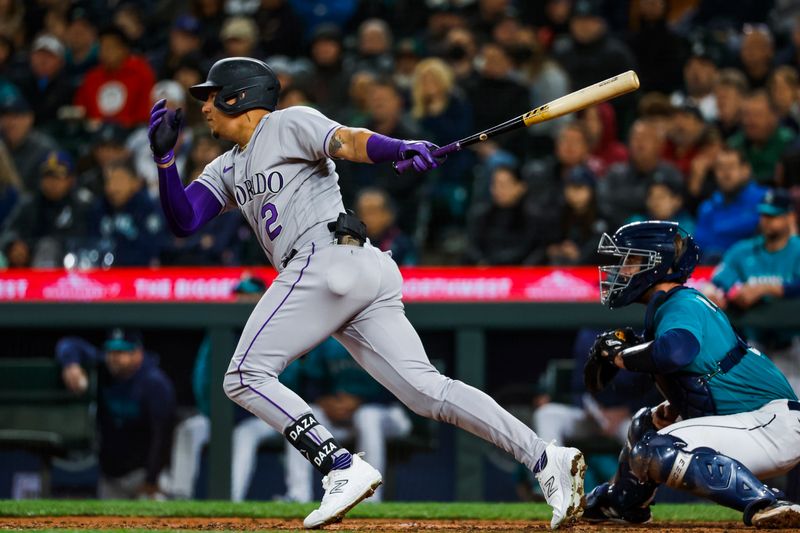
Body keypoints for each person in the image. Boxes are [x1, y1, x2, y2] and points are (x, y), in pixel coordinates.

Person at [147, 56, 586, 529]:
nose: (205, 107)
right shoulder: (226, 167)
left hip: (324, 258)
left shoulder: (286, 122)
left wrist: (398, 147)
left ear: (239, 96)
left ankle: (340, 466)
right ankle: (545, 458)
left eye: (212, 96)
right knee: (427, 393)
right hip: (352, 267)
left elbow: (349, 141)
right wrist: (165, 162)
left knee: (243, 375)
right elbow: (184, 220)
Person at [581, 220, 800, 528]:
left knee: (655, 449)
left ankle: (766, 502)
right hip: (751, 420)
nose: (622, 270)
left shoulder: (683, 302)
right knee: (646, 422)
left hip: (774, 424)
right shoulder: (668, 309)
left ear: (656, 265)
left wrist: (618, 357)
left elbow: (675, 352)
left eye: (631, 260)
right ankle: (623, 503)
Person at [56, 328, 176, 499]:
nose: (114, 357)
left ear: (138, 353)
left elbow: (163, 435)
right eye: (111, 351)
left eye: (121, 352)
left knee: (156, 521)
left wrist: (151, 479)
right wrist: (71, 364)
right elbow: (68, 344)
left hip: (143, 474)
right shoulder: (105, 369)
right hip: (110, 476)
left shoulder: (155, 383)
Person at [710, 188, 800, 394]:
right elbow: (716, 283)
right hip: (756, 345)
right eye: (764, 215)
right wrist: (715, 293)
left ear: (790, 217)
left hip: (794, 344)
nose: (767, 220)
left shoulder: (797, 249)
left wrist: (767, 288)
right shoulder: (743, 250)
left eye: (774, 215)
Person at [694, 146, 766, 264]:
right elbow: (700, 246)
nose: (725, 173)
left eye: (731, 167)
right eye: (720, 168)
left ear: (746, 170)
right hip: (712, 269)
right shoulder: (707, 207)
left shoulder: (763, 199)